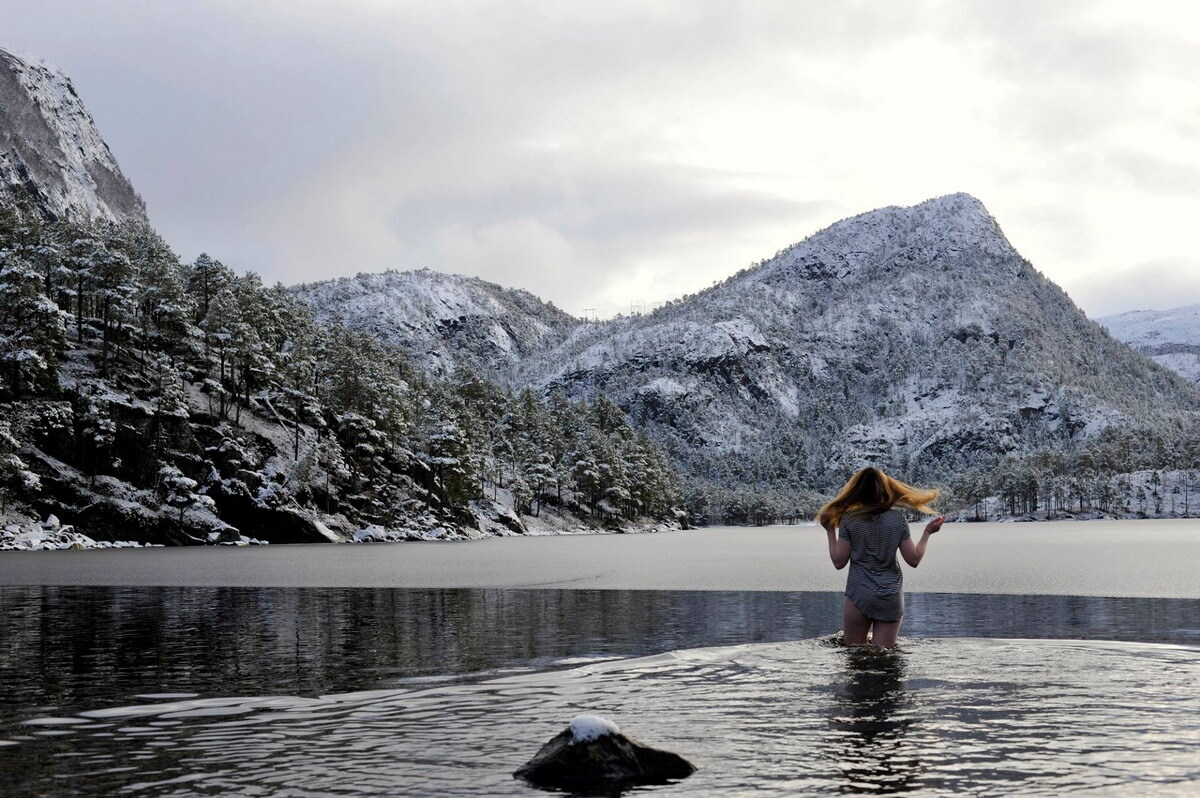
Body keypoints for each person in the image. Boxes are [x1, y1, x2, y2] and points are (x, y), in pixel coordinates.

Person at [818, 467, 946, 647]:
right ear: (886, 490)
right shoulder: (897, 519)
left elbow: (839, 562)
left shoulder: (849, 520)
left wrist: (830, 530)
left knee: (854, 654)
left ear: (856, 491)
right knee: (884, 656)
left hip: (859, 594)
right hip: (890, 596)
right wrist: (927, 532)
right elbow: (914, 559)